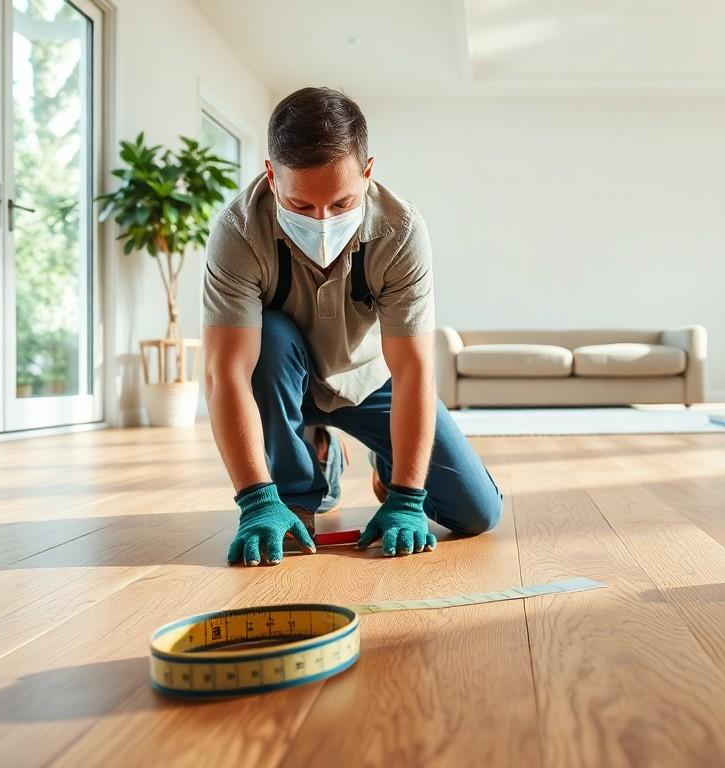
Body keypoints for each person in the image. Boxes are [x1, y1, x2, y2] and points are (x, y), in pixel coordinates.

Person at [201, 86, 501, 566]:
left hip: (370, 382)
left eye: (341, 204)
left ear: (367, 172)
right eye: (301, 206)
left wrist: (405, 495)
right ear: (272, 177)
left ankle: (385, 463)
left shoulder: (401, 231)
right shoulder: (238, 231)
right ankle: (303, 480)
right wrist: (256, 499)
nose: (322, 221)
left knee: (478, 513)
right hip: (282, 382)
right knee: (271, 336)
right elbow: (226, 373)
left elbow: (413, 372)